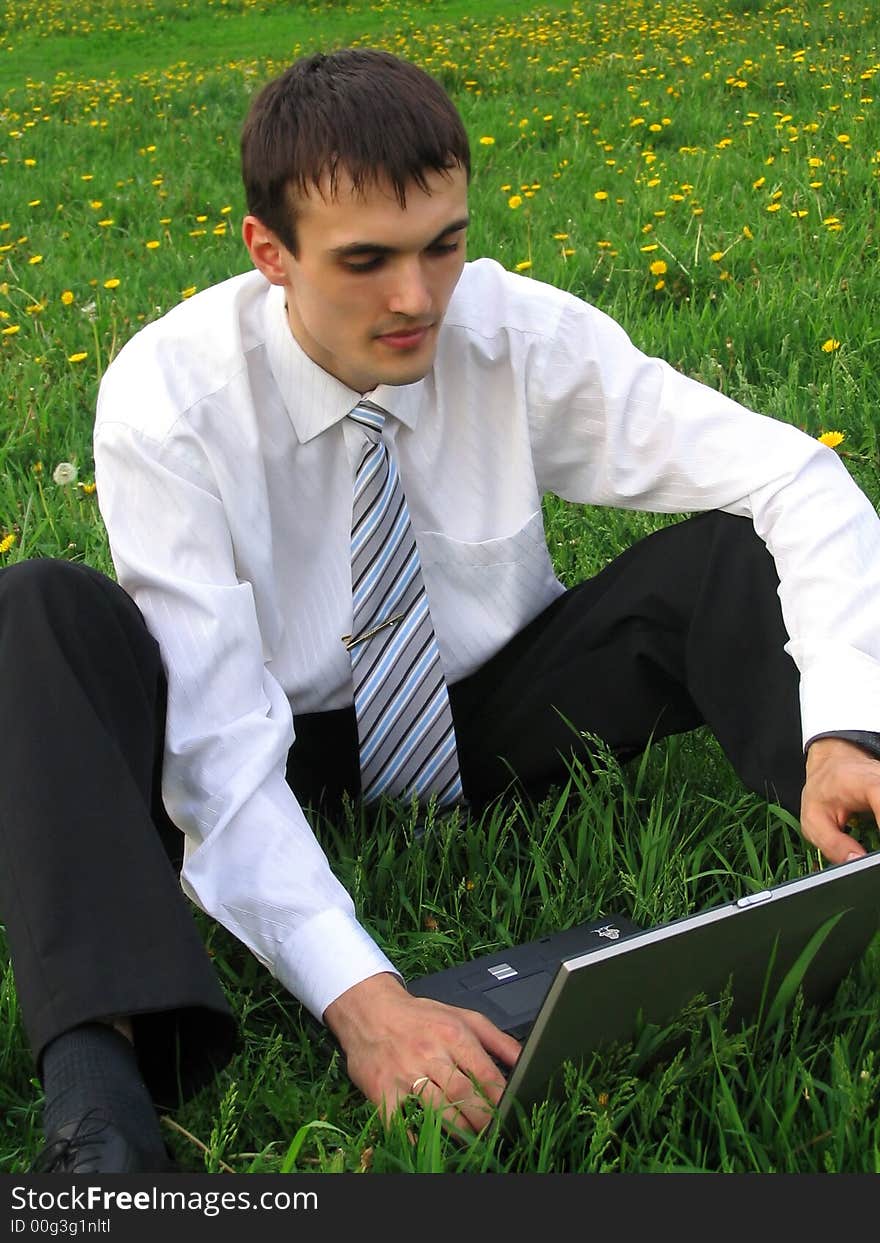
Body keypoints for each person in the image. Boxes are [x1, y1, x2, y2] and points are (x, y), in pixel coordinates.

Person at [3, 47, 880, 1174]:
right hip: (278, 739)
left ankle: (844, 832)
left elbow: (793, 476)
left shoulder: (511, 332)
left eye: (443, 244)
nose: (416, 298)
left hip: (488, 717)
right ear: (268, 252)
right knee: (38, 611)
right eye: (364, 261)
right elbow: (218, 744)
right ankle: (98, 1108)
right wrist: (366, 1001)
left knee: (724, 549)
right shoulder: (168, 397)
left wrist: (844, 722)